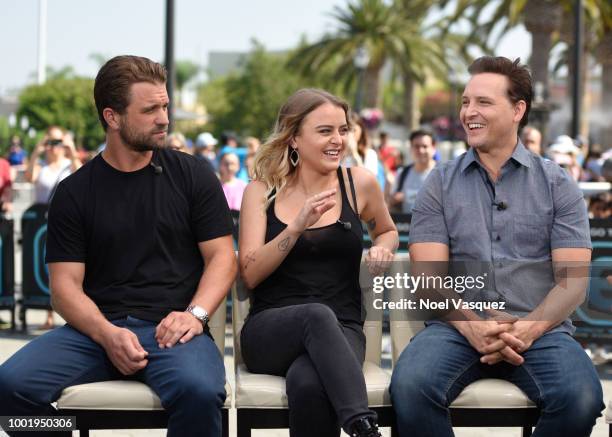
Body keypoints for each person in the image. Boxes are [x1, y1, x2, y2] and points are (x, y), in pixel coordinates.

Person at [0, 55, 237, 437]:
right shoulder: (75, 193)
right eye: (150, 110)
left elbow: (223, 258)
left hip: (173, 330)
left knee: (199, 391)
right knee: (9, 388)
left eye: (164, 106)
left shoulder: (193, 175)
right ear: (112, 117)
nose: (164, 118)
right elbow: (64, 288)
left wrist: (194, 315)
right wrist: (106, 334)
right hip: (94, 332)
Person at [390, 56, 603, 437]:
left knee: (582, 397)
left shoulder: (558, 185)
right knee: (409, 387)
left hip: (544, 330)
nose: (468, 112)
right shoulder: (438, 184)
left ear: (518, 109)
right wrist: (473, 327)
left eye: (483, 102)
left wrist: (526, 330)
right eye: (465, 102)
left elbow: (573, 282)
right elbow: (427, 279)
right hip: (454, 329)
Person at [238, 88, 398, 437]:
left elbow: (387, 230)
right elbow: (249, 274)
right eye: (325, 131)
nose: (338, 140)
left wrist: (383, 247)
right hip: (270, 331)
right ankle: (363, 426)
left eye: (343, 130)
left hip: (343, 331)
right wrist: (295, 228)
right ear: (293, 138)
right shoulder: (261, 191)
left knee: (309, 384)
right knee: (315, 313)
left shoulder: (359, 184)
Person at [25, 126, 82, 329]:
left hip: (67, 222)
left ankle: (73, 314)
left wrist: (71, 149)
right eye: (50, 142)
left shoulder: (68, 165)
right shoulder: (40, 165)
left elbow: (82, 176)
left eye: (57, 143)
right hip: (41, 224)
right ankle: (48, 316)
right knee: (44, 267)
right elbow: (29, 177)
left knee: (66, 268)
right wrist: (36, 150)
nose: (53, 147)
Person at [389, 129, 437, 214]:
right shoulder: (402, 173)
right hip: (406, 225)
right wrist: (395, 199)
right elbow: (390, 202)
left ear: (433, 148)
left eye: (425, 146)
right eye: (417, 146)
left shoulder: (443, 174)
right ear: (411, 148)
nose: (421, 151)